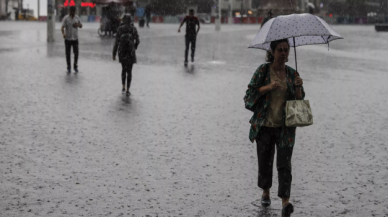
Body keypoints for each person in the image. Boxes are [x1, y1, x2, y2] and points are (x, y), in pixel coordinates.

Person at [243, 39, 305, 217]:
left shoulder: (292, 74)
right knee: (265, 161)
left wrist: (298, 88)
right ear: (272, 51)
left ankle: (285, 202)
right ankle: (265, 191)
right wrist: (269, 87)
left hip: (285, 128)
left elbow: (299, 103)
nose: (284, 53)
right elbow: (249, 94)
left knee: (284, 165)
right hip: (265, 126)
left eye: (286, 50)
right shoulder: (263, 71)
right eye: (280, 50)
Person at [113, 14, 140, 95]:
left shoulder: (120, 28)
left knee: (123, 69)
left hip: (122, 51)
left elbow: (116, 42)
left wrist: (114, 53)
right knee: (130, 71)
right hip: (131, 52)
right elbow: (138, 41)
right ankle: (128, 89)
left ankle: (123, 86)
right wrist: (134, 47)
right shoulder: (133, 29)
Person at [61, 6, 82, 73]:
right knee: (68, 54)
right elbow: (62, 27)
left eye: (73, 11)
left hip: (75, 39)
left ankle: (75, 66)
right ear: (69, 11)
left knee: (76, 53)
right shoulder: (66, 18)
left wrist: (77, 25)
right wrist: (63, 34)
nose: (72, 13)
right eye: (71, 11)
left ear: (75, 11)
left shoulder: (77, 18)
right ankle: (69, 67)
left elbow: (81, 25)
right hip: (68, 39)